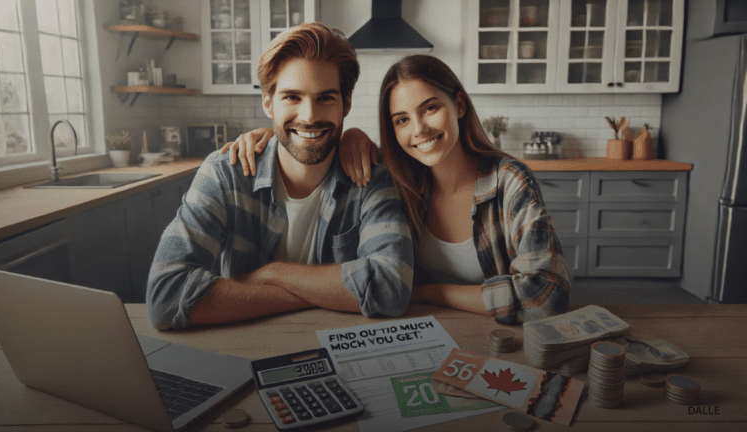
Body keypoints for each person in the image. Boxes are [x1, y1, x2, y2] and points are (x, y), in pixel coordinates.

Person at [224, 54, 571, 324]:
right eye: (401, 120)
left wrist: (433, 293)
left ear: (459, 106)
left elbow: (544, 298)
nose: (419, 129)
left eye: (431, 108)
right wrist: (272, 137)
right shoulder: (399, 183)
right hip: (426, 329)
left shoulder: (509, 181)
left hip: (506, 338)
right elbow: (310, 141)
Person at [146, 23, 414, 330]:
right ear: (268, 102)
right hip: (249, 346)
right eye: (292, 97)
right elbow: (166, 296)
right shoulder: (225, 173)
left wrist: (273, 274)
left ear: (347, 103)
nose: (309, 116)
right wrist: (315, 294)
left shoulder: (370, 174)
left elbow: (392, 287)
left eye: (325, 97)